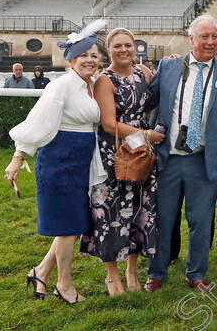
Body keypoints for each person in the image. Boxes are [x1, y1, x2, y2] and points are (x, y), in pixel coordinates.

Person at [4, 19, 107, 304]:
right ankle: (64, 284)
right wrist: (17, 157)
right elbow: (36, 122)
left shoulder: (91, 85)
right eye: (83, 55)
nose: (90, 60)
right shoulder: (61, 87)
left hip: (80, 163)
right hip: (59, 161)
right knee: (68, 227)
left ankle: (40, 272)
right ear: (71, 59)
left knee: (72, 226)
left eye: (94, 55)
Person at [144, 14, 217, 293]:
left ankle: (196, 274)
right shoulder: (169, 66)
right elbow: (147, 100)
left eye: (214, 37)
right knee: (163, 219)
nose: (210, 42)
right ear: (191, 39)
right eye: (205, 37)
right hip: (168, 158)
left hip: (204, 159)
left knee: (201, 221)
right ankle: (156, 272)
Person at [77, 28, 163, 295]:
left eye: (128, 45)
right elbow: (108, 122)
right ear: (109, 50)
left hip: (143, 151)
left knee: (140, 209)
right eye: (117, 46)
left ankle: (132, 270)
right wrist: (145, 134)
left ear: (135, 47)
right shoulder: (105, 79)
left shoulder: (144, 73)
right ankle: (112, 275)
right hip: (116, 150)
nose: (124, 50)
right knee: (112, 211)